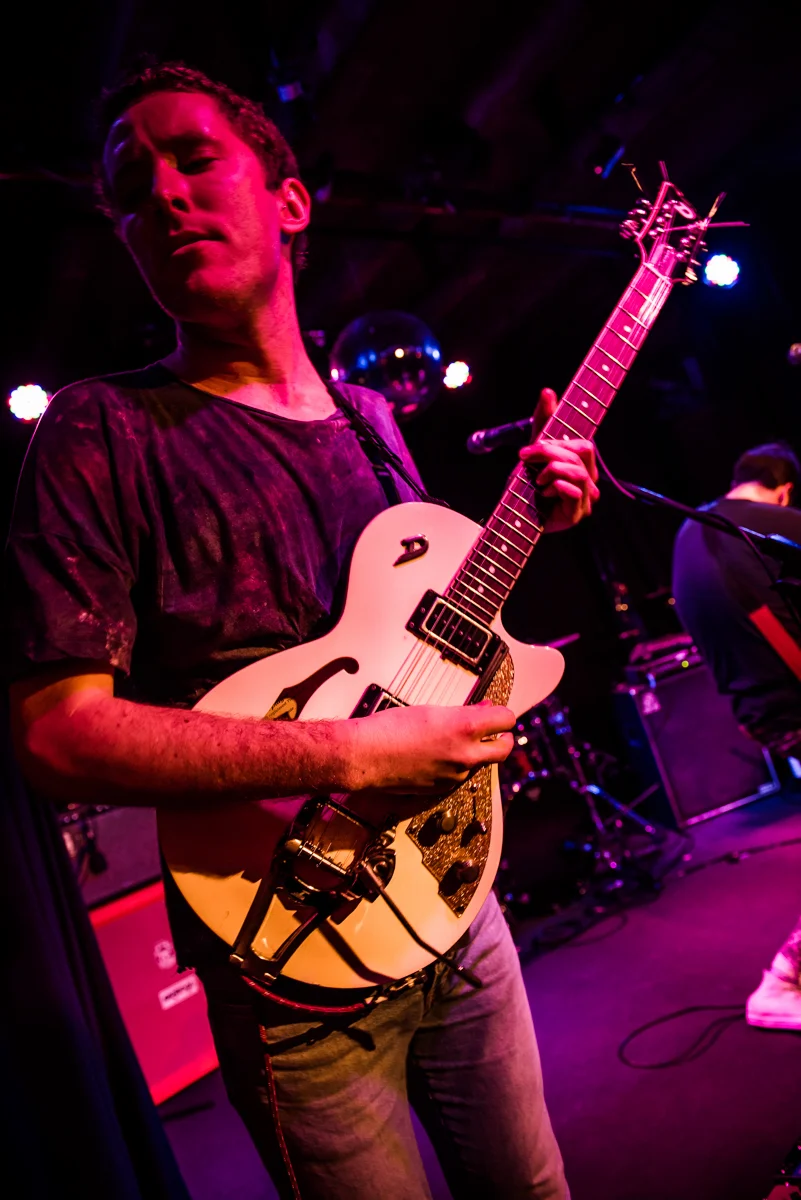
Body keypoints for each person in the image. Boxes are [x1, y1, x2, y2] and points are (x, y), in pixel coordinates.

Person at [4, 63, 601, 1200]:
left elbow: (421, 642)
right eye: (130, 190)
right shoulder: (100, 429)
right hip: (285, 948)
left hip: (456, 900)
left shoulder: (372, 422)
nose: (162, 196)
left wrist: (539, 519)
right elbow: (55, 736)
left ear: (289, 201)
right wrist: (352, 754)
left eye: (194, 159)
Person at [671, 442, 801, 1033]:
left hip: (763, 715)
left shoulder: (686, 535)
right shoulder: (773, 525)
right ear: (785, 489)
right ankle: (783, 978)